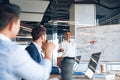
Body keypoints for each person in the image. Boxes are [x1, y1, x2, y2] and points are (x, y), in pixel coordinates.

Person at [0, 3, 55, 80]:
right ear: (12, 25)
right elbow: (39, 76)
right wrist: (48, 53)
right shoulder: (12, 51)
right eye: (18, 23)